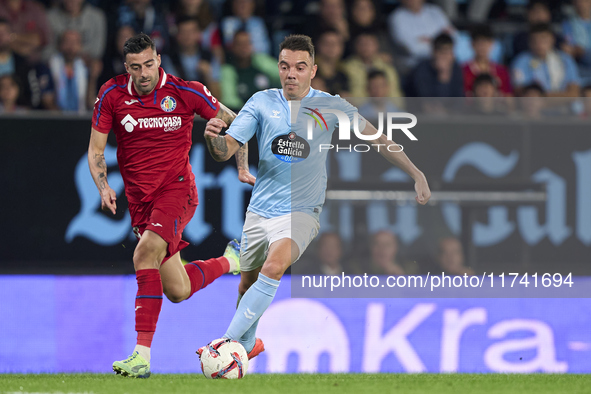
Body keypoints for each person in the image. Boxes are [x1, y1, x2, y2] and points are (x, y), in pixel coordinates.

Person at [197, 34, 431, 360]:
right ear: (278, 68)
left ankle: (222, 345)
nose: (291, 73)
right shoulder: (261, 102)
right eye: (285, 66)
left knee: (274, 266)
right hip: (261, 210)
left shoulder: (330, 105)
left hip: (302, 212)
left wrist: (416, 172)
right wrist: (213, 140)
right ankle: (247, 346)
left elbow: (377, 139)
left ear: (313, 70)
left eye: (299, 67)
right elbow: (225, 151)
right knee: (246, 285)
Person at [88, 33, 254, 378]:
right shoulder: (112, 94)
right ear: (127, 67)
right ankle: (231, 259)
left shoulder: (185, 90)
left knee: (143, 254)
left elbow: (238, 121)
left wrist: (240, 166)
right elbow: (96, 151)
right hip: (140, 202)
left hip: (178, 191)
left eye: (149, 64)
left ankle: (141, 356)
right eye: (136, 67)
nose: (144, 73)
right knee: (176, 290)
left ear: (158, 59)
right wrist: (103, 186)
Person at [512, 23, 580, 97]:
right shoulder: (521, 61)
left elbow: (574, 93)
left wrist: (543, 98)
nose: (539, 44)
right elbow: (522, 95)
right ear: (529, 42)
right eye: (535, 40)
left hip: (563, 107)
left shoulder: (566, 59)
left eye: (543, 39)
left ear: (552, 39)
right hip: (533, 108)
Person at [219, 29, 280, 111]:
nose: (244, 47)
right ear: (233, 47)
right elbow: (230, 100)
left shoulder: (262, 62)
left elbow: (283, 78)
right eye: (240, 44)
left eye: (247, 43)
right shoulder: (228, 70)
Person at [406, 32, 464, 98]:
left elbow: (458, 98)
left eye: (449, 53)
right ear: (434, 53)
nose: (446, 57)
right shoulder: (421, 70)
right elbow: (428, 101)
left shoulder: (456, 68)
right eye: (443, 53)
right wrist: (443, 76)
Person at [462, 25, 512, 96]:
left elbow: (509, 99)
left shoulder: (502, 72)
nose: (482, 46)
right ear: (472, 44)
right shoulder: (462, 71)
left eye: (485, 42)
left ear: (492, 44)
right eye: (479, 43)